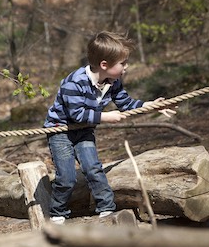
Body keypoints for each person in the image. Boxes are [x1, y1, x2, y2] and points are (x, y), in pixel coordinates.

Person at [43, 31, 175, 224]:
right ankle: (57, 212)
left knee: (93, 168)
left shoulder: (113, 82)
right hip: (61, 131)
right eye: (122, 63)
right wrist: (106, 117)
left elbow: (126, 104)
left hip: (84, 130)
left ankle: (106, 208)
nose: (126, 67)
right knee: (67, 177)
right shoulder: (75, 82)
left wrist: (150, 105)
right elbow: (76, 114)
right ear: (104, 65)